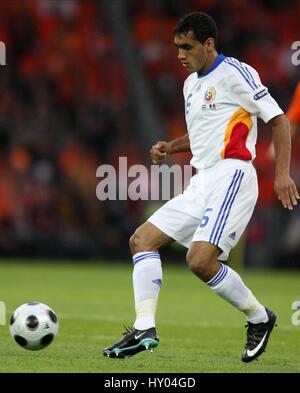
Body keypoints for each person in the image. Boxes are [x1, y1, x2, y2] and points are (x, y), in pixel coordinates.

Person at [103, 12, 299, 363]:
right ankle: (144, 327)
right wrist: (170, 146)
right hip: (202, 179)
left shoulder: (236, 73)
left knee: (199, 260)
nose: (180, 54)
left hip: (233, 175)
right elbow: (204, 133)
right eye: (177, 47)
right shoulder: (190, 83)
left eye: (187, 47)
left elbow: (280, 119)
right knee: (141, 240)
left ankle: (259, 317)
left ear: (209, 45)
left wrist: (282, 174)